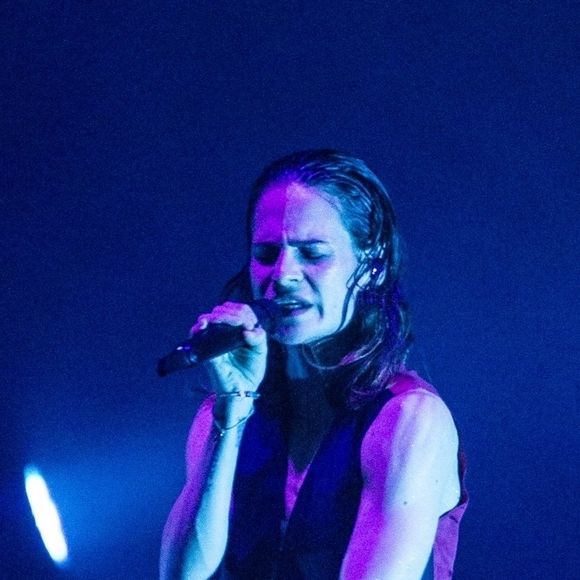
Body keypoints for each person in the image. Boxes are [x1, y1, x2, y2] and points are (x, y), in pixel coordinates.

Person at [160, 149, 467, 579]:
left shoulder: (409, 419)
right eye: (266, 253)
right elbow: (180, 576)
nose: (282, 274)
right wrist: (232, 405)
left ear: (373, 265)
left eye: (313, 253)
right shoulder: (224, 415)